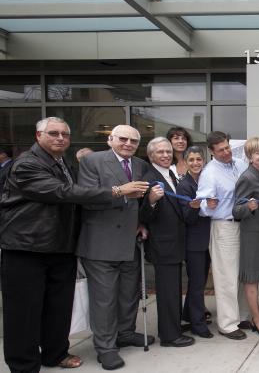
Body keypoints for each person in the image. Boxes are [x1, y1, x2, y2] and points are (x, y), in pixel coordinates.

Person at [0, 117, 146, 373]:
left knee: (58, 307)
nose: (60, 138)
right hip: (26, 247)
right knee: (24, 312)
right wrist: (117, 191)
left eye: (64, 134)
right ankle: (23, 365)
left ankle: (55, 354)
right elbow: (64, 193)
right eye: (53, 133)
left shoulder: (61, 163)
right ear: (38, 136)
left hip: (59, 245)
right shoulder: (27, 164)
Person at [77, 124, 154, 370]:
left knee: (127, 295)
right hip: (101, 243)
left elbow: (136, 204)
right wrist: (121, 191)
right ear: (110, 139)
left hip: (130, 243)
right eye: (123, 139)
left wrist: (141, 222)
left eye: (133, 141)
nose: (128, 144)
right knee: (104, 300)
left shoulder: (140, 165)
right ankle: (106, 348)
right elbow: (86, 198)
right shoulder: (93, 162)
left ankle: (125, 332)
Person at [139, 137, 195, 348]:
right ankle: (170, 336)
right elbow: (143, 214)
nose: (165, 155)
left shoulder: (170, 173)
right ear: (151, 155)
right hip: (163, 244)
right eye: (160, 152)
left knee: (174, 289)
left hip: (175, 242)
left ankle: (173, 327)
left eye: (167, 152)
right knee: (168, 292)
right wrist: (151, 201)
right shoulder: (149, 177)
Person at [196, 131, 247, 340]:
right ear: (211, 151)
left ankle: (242, 315)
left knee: (244, 274)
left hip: (245, 225)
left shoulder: (240, 164)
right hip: (224, 226)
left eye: (227, 148)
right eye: (220, 150)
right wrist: (208, 205)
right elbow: (201, 206)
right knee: (227, 276)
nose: (226, 152)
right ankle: (227, 324)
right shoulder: (209, 173)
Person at [233, 137, 259, 338]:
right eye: (258, 152)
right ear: (250, 157)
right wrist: (248, 207)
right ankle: (256, 319)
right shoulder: (247, 177)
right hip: (253, 235)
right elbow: (236, 210)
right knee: (252, 279)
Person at [177, 146, 214, 339]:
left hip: (207, 238)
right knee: (198, 283)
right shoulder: (184, 185)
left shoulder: (206, 180)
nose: (195, 163)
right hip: (193, 242)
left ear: (204, 161)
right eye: (191, 160)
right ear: (185, 162)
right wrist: (194, 207)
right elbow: (187, 217)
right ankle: (198, 324)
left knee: (197, 281)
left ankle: (187, 315)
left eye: (198, 159)